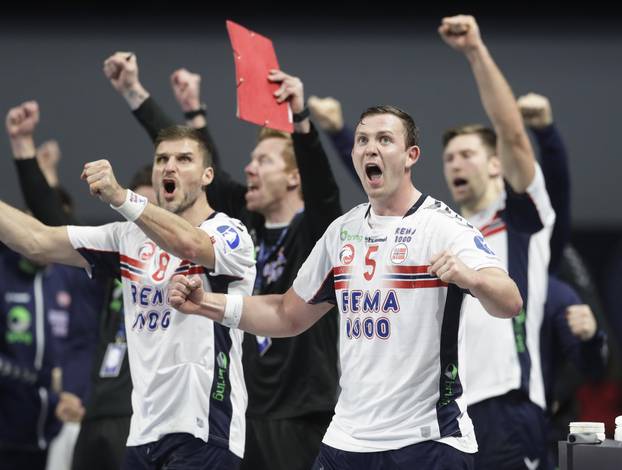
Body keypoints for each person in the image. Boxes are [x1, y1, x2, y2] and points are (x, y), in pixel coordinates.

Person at [168, 105, 522, 470]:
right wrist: (205, 303)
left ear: (410, 156)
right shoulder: (341, 232)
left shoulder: (442, 227)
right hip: (346, 441)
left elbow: (509, 301)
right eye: (362, 140)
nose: (371, 149)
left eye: (385, 140)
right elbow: (287, 314)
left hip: (426, 440)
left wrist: (473, 277)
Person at [103, 52, 341, 470]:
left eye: (263, 161)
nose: (249, 169)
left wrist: (300, 118)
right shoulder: (242, 225)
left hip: (301, 411)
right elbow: (192, 161)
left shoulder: (317, 229)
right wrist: (135, 93)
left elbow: (322, 185)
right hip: (247, 411)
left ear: (293, 177)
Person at [0, 124, 256, 469]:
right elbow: (37, 240)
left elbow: (189, 244)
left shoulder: (229, 232)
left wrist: (121, 197)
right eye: (162, 159)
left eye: (184, 159)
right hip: (144, 433)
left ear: (208, 175)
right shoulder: (126, 239)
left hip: (205, 428)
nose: (169, 166)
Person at [439, 15, 555, 470]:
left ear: (494, 165)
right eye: (448, 158)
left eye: (467, 154)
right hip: (450, 412)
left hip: (508, 404)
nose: (454, 165)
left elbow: (513, 136)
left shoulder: (523, 217)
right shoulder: (445, 227)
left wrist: (474, 52)